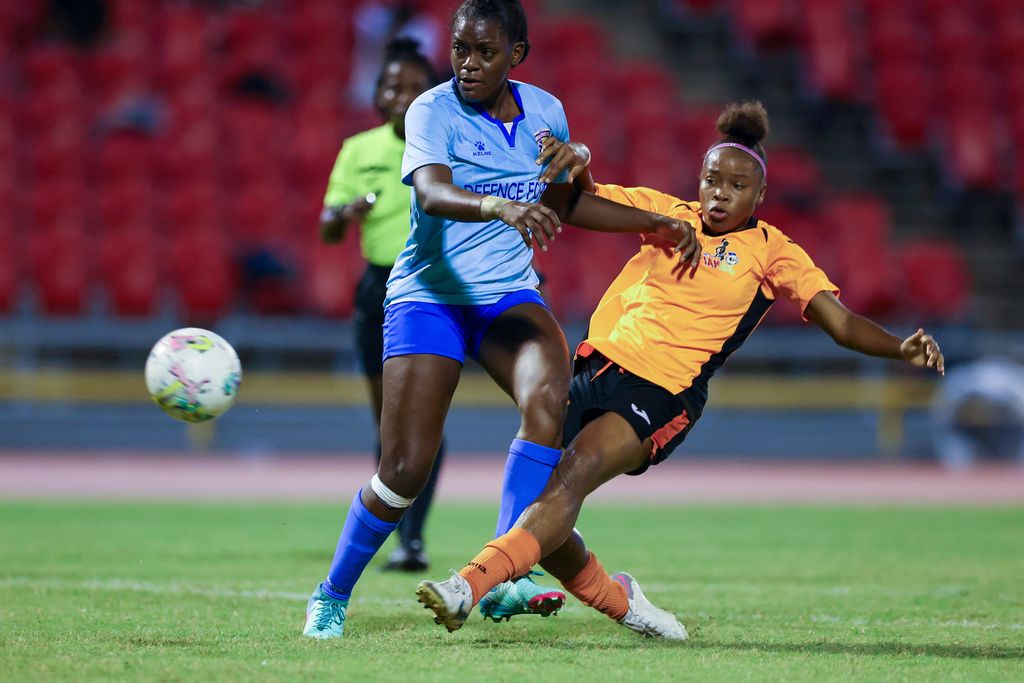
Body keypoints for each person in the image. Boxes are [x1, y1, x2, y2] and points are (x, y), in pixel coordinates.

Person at [415, 101, 946, 640]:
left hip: (664, 391)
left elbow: (841, 323)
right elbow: (580, 202)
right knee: (543, 510)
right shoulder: (667, 216)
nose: (720, 193)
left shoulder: (772, 251)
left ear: (759, 196)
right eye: (712, 180)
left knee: (572, 475)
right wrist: (578, 159)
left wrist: (899, 348)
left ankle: (468, 585)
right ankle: (625, 604)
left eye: (737, 186)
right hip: (596, 368)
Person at [302, 0, 701, 639]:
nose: (468, 63)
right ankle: (330, 593)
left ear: (516, 56)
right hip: (427, 297)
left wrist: (653, 223)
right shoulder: (430, 109)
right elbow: (430, 191)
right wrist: (500, 207)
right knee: (404, 471)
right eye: (461, 48)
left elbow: (568, 202)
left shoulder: (546, 111)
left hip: (505, 297)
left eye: (485, 52)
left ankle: (502, 576)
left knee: (550, 397)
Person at [320, 38, 443, 572]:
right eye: (393, 85)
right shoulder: (358, 150)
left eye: (415, 87)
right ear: (378, 93)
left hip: (437, 289)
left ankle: (411, 541)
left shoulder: (447, 145)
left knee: (423, 424)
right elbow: (326, 231)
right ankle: (397, 537)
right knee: (390, 428)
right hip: (379, 291)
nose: (402, 95)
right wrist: (346, 210)